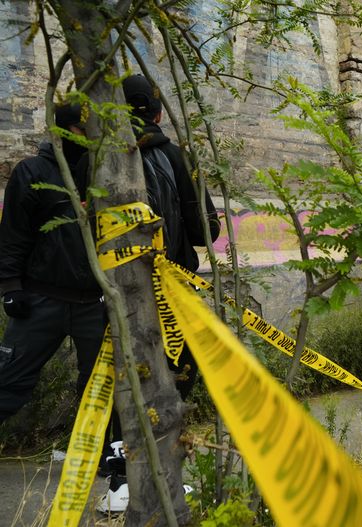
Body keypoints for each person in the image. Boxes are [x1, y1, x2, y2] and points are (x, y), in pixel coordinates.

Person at [0, 104, 105, 423]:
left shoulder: (104, 175)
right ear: (63, 130)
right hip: (40, 300)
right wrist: (10, 287)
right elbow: (13, 234)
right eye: (82, 130)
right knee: (8, 382)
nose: (90, 138)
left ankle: (101, 452)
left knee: (100, 392)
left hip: (93, 304)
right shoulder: (32, 172)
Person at [120, 74, 221, 397]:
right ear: (160, 114)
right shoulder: (179, 158)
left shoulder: (98, 161)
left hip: (117, 288)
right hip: (173, 283)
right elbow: (207, 231)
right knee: (181, 363)